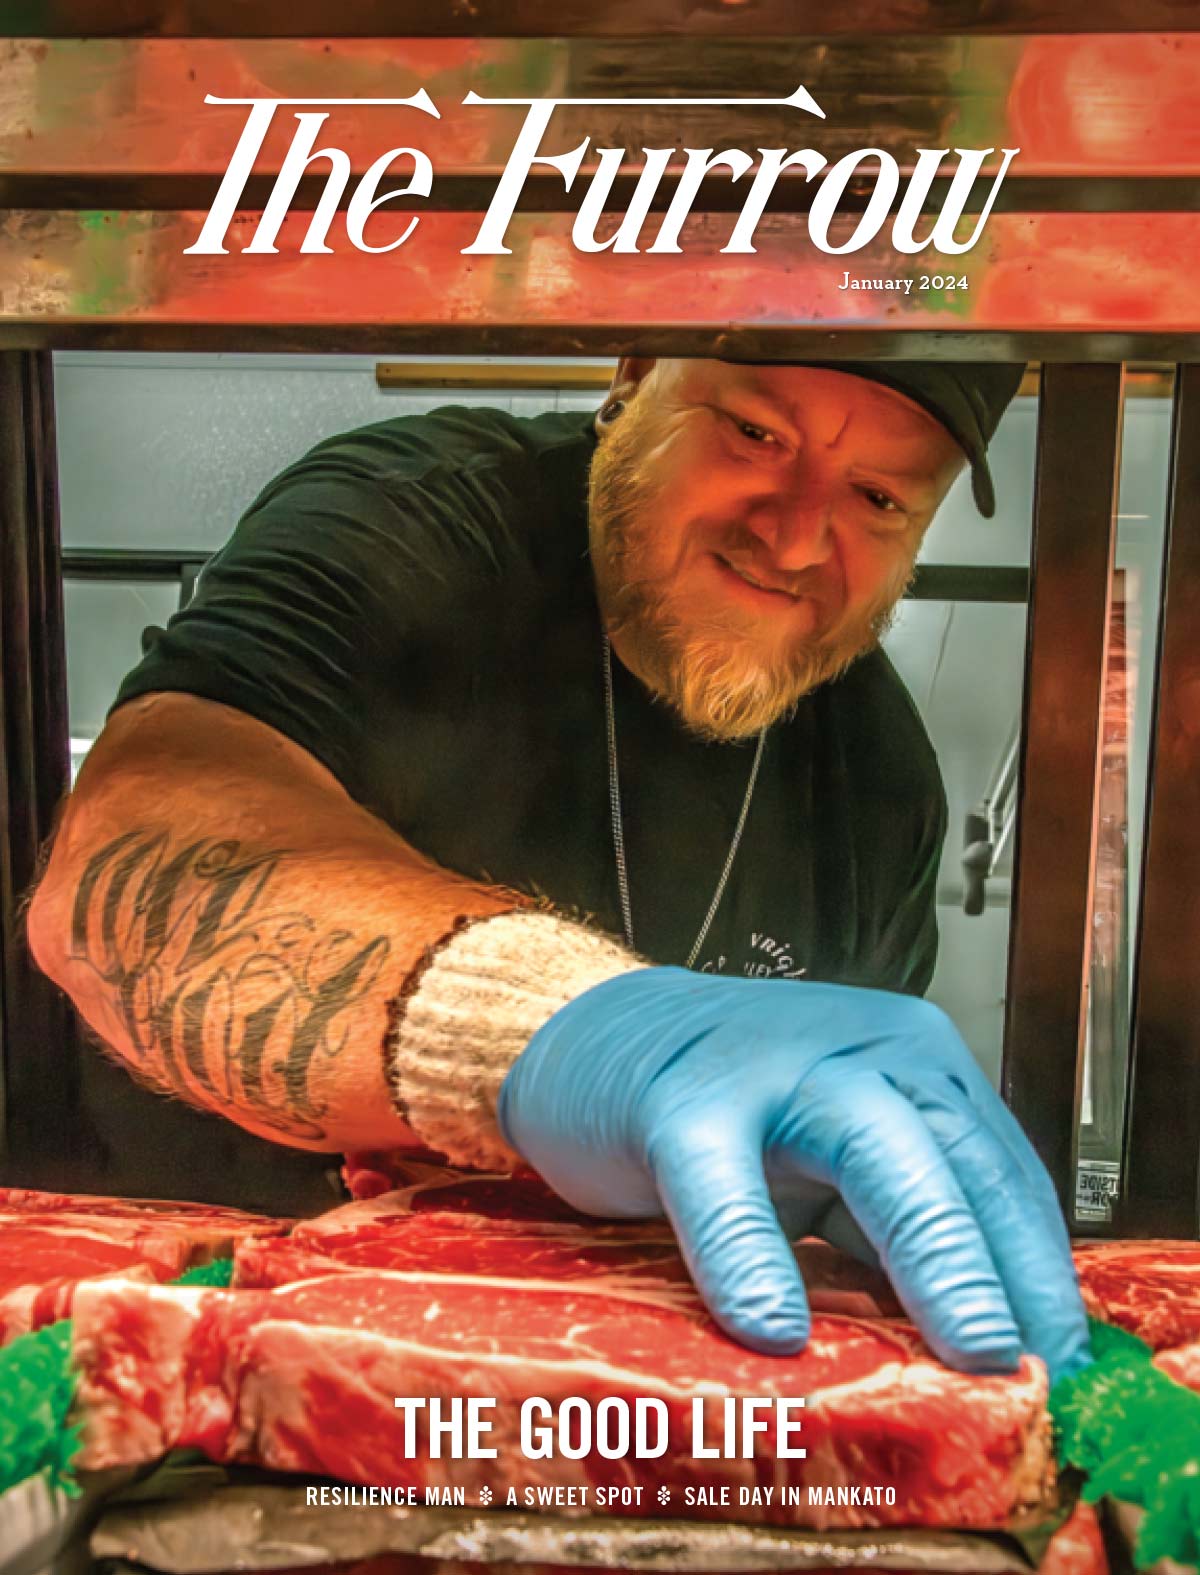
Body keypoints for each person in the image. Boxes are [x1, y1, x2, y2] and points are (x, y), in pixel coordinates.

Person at [27, 357, 1090, 1384]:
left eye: (878, 497)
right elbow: (130, 868)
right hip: (205, 1346)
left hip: (611, 1391)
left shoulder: (879, 777)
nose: (797, 536)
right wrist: (553, 1029)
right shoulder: (421, 519)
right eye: (756, 434)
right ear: (633, 372)